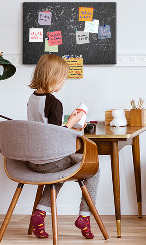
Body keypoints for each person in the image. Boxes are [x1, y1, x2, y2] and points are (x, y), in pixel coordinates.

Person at [27, 54, 100, 239]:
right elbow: (56, 135)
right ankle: (85, 216)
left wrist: (69, 124)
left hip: (33, 161)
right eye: (63, 78)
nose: (63, 82)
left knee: (58, 173)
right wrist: (73, 122)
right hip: (50, 161)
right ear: (54, 78)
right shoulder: (54, 103)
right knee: (93, 168)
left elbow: (45, 128)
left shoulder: (32, 99)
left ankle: (40, 214)